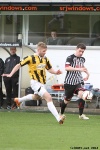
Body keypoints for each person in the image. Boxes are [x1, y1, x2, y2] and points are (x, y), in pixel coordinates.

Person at [3, 42, 65, 124]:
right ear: (38, 50)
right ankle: (58, 117)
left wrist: (56, 72)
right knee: (48, 97)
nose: (45, 52)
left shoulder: (45, 59)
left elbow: (49, 69)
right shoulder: (30, 58)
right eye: (43, 51)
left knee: (36, 97)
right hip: (35, 83)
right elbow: (18, 65)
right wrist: (11, 74)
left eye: (45, 51)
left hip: (42, 83)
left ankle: (19, 100)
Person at [60, 43, 92, 120]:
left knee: (82, 94)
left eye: (82, 52)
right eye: (80, 51)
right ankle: (61, 113)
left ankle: (81, 115)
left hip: (79, 81)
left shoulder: (82, 59)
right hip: (69, 83)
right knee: (67, 100)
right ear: (76, 49)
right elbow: (67, 68)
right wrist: (79, 69)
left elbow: (82, 67)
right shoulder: (70, 58)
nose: (81, 53)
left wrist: (87, 74)